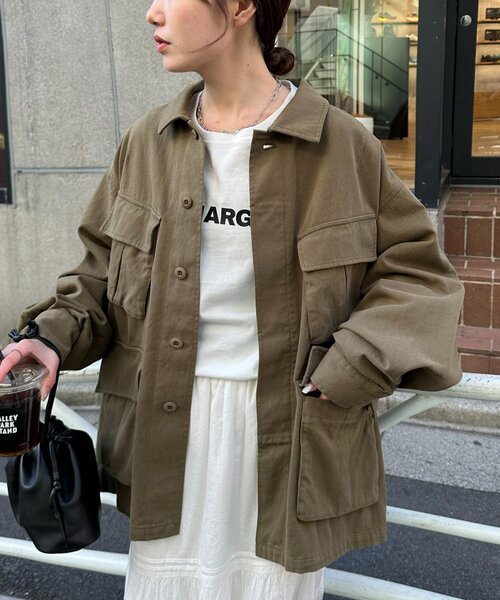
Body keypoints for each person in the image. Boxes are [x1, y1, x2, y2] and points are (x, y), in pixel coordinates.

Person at [0, 0, 464, 598]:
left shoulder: (340, 146)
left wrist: (354, 363)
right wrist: (48, 337)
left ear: (242, 7)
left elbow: (419, 275)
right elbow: (98, 274)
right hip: (165, 429)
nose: (152, 14)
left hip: (290, 436)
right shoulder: (148, 142)